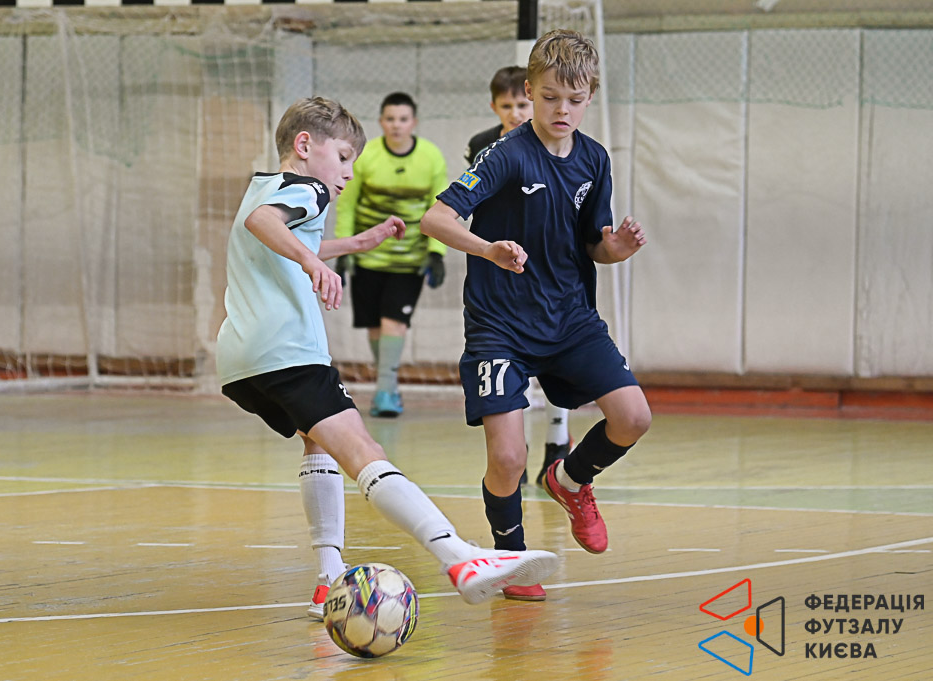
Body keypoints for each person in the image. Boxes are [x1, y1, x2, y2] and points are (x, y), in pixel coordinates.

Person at [216, 96, 558, 619]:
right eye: (343, 157)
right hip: (287, 350)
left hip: (243, 357)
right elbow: (265, 224)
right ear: (304, 145)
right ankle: (458, 556)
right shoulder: (307, 188)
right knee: (364, 450)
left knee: (318, 442)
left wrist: (354, 244)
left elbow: (271, 231)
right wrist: (312, 263)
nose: (348, 173)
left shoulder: (264, 185)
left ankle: (328, 580)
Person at [420, 30, 651, 603]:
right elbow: (436, 219)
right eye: (549, 97)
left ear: (590, 96)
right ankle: (513, 559)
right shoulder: (506, 154)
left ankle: (569, 480)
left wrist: (615, 249)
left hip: (570, 318)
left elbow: (593, 243)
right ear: (529, 91)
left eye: (574, 99)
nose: (561, 109)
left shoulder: (594, 159)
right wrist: (487, 249)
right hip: (500, 324)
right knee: (507, 456)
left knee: (633, 417)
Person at [465, 65, 574, 489]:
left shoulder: (561, 143)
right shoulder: (484, 146)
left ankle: (558, 439)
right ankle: (518, 448)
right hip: (503, 265)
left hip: (550, 264)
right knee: (513, 360)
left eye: (521, 105)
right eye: (506, 106)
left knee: (556, 354)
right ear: (494, 107)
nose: (515, 113)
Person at [334, 92, 448, 418]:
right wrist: (344, 249)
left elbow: (440, 207)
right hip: (368, 257)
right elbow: (347, 205)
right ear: (381, 122)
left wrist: (436, 252)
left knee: (393, 322)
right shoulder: (366, 156)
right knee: (374, 326)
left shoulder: (430, 157)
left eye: (403, 119)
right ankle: (389, 385)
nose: (396, 125)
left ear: (414, 122)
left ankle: (385, 390)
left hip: (409, 261)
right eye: (390, 119)